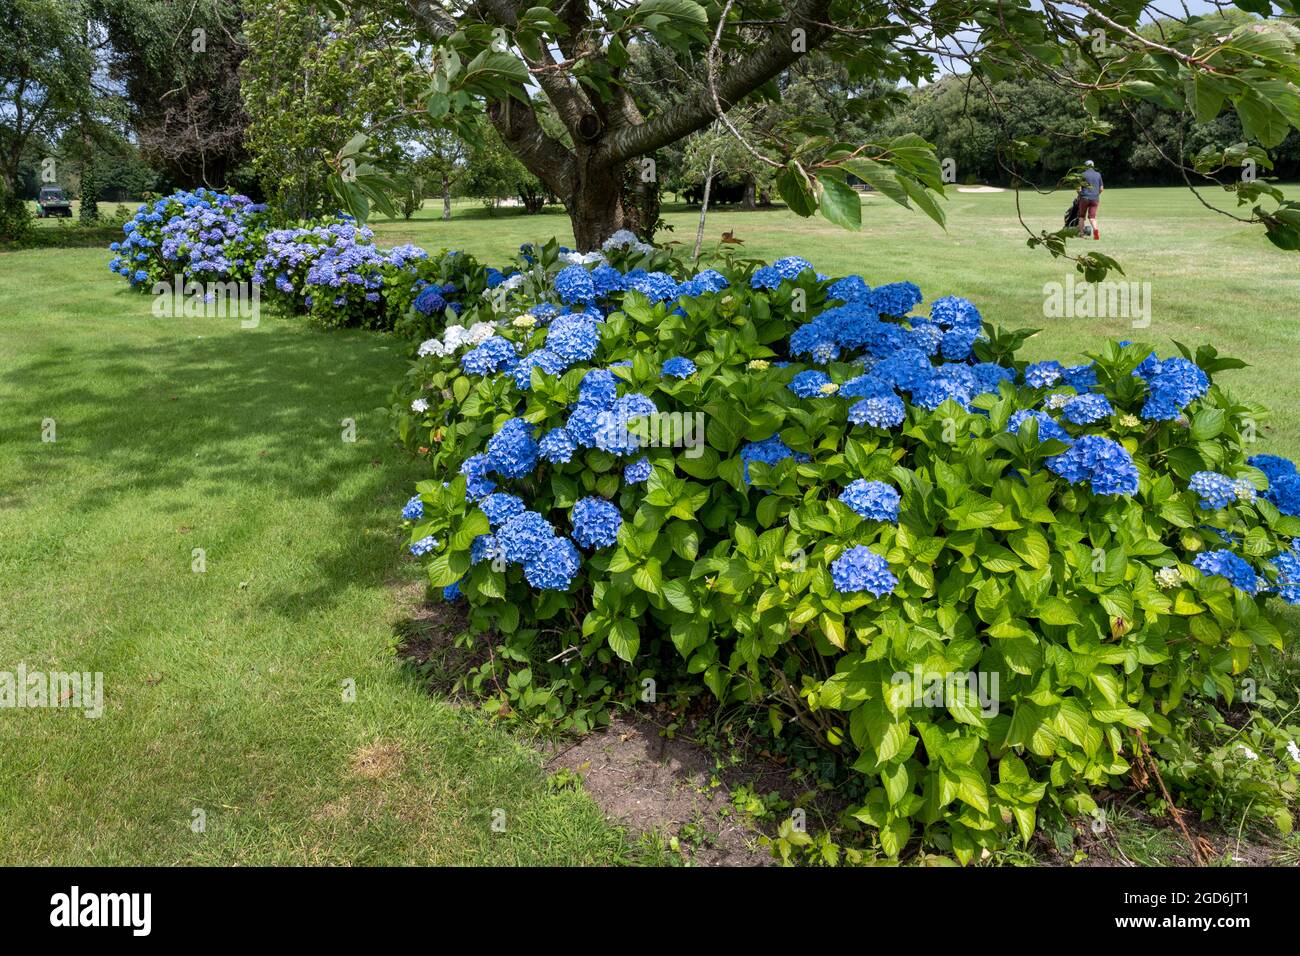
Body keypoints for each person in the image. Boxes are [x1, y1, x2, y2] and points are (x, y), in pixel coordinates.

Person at [1077, 160, 1103, 240]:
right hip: (1095, 199)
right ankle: (1095, 231)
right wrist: (1095, 195)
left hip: (1084, 198)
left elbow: (1078, 188)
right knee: (1092, 217)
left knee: (1081, 217)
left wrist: (1080, 194)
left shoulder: (1082, 175)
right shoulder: (1098, 174)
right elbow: (1101, 188)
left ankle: (1081, 234)